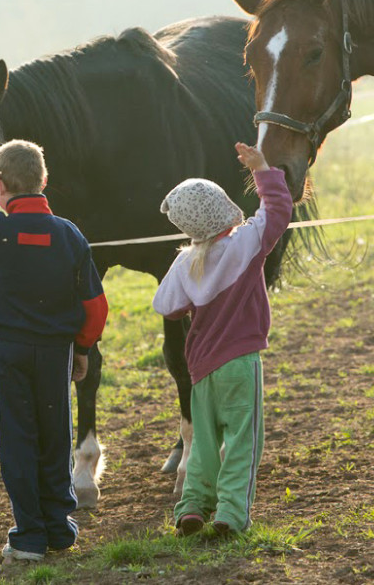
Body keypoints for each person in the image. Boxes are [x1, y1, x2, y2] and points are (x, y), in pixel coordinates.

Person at [0, 139, 109, 562]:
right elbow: (95, 306)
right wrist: (83, 349)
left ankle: (29, 535)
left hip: (10, 349)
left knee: (18, 438)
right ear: (44, 181)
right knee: (56, 436)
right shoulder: (69, 235)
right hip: (57, 352)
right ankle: (59, 528)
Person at [152, 142, 293, 538]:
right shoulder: (246, 244)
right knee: (243, 442)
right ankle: (231, 514)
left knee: (204, 444)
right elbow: (278, 211)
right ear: (223, 206)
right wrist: (262, 168)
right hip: (241, 362)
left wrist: (189, 298)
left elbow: (164, 305)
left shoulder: (184, 262)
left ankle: (192, 506)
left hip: (200, 369)